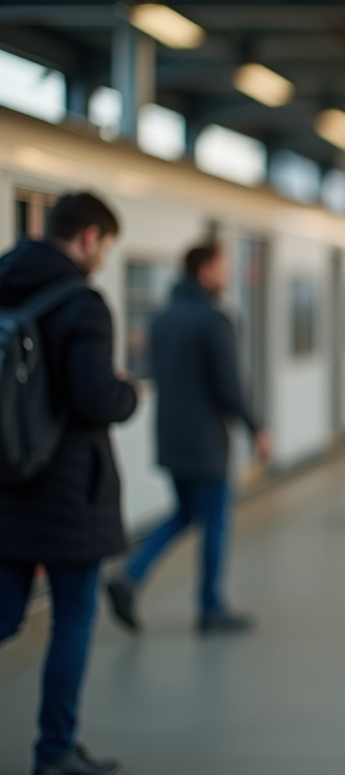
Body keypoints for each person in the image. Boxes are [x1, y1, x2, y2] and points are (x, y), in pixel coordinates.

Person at [0, 192, 138, 775]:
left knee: (5, 614)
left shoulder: (4, 282)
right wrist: (126, 390)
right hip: (65, 492)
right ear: (88, 238)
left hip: (4, 482)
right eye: (104, 246)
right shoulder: (84, 305)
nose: (102, 259)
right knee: (73, 615)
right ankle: (54, 752)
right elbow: (94, 398)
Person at [106, 240, 270, 635]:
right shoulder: (215, 320)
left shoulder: (161, 318)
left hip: (171, 435)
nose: (227, 274)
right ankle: (210, 608)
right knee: (215, 520)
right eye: (223, 266)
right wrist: (256, 427)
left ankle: (129, 577)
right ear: (206, 270)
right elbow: (229, 385)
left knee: (184, 513)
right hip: (206, 441)